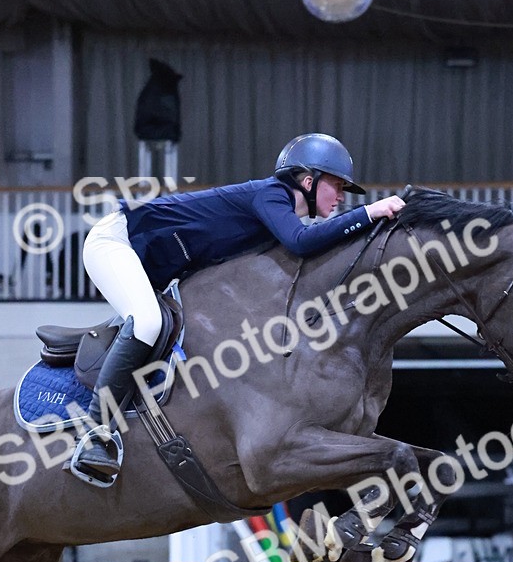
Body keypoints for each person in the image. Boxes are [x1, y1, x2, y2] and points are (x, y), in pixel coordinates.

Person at [75, 133, 406, 480]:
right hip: (116, 240)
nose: (340, 196)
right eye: (337, 185)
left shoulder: (277, 218)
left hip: (152, 262)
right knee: (146, 323)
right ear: (308, 181)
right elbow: (302, 242)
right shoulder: (271, 195)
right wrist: (368, 213)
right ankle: (94, 435)